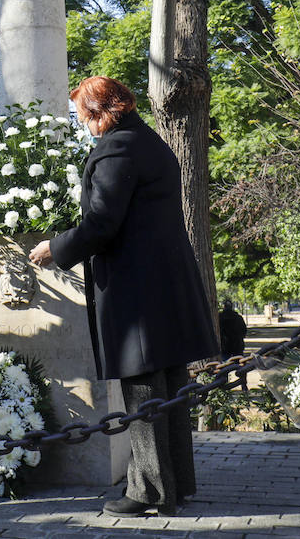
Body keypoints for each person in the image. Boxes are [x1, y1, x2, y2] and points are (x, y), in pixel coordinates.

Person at [30, 76, 218, 517]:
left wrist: (55, 248)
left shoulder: (116, 148)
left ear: (99, 113)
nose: (83, 126)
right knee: (170, 388)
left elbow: (101, 223)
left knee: (144, 391)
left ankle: (149, 490)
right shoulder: (150, 140)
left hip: (138, 292)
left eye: (83, 117)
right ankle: (177, 483)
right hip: (166, 284)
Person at [218, 299, 248, 391]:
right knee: (241, 366)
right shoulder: (238, 317)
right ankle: (243, 385)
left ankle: (225, 385)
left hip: (224, 346)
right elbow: (244, 331)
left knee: (224, 367)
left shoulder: (219, 317)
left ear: (224, 307)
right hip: (237, 346)